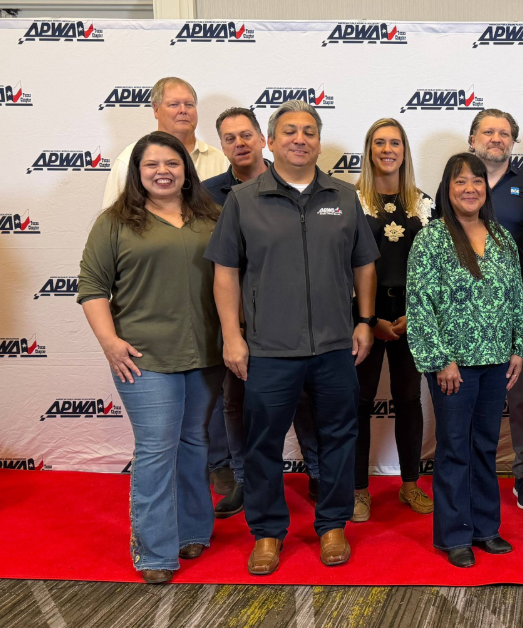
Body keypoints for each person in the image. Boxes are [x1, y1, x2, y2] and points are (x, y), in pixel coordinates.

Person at [205, 100, 380, 576]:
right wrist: (232, 336)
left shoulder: (344, 196)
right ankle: (266, 533)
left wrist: (364, 321)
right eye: (289, 131)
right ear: (271, 140)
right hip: (268, 349)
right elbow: (225, 272)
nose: (299, 138)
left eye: (308, 130)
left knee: (340, 437)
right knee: (263, 442)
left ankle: (333, 525)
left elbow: (364, 263)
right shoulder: (243, 200)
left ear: (319, 140)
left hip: (333, 347)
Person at [78, 131, 225, 584]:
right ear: (137, 173)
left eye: (172, 163)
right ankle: (155, 553)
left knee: (195, 442)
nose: (163, 171)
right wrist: (109, 342)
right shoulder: (115, 221)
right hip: (142, 357)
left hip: (205, 354)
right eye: (151, 165)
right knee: (157, 450)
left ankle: (194, 529)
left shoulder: (212, 216)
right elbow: (92, 287)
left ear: (187, 170)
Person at [407, 152, 523, 568]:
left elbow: (516, 298)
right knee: (454, 447)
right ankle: (454, 534)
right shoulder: (432, 238)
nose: (469, 189)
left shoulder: (501, 238)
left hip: (497, 360)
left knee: (484, 447)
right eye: (460, 181)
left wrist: (519, 348)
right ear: (448, 187)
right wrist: (439, 359)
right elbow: (420, 304)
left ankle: (485, 529)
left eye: (477, 181)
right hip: (452, 366)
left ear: (486, 188)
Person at [202, 106, 323, 520]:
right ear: (221, 145)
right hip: (237, 324)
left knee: (306, 402)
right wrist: (231, 330)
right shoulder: (207, 194)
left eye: (246, 135)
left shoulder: (296, 180)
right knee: (235, 405)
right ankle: (244, 478)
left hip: (297, 327)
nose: (240, 143)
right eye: (229, 138)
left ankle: (319, 474)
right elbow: (219, 267)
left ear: (263, 140)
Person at [433, 109, 523, 511]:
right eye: (488, 131)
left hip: (514, 304)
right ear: (472, 139)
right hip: (459, 314)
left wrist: (501, 285)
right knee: (460, 393)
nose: (496, 138)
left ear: (513, 142)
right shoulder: (455, 182)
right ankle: (461, 477)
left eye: (504, 133)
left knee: (518, 388)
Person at [352, 118, 436, 522]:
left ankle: (409, 484)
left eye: (396, 143)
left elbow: (437, 266)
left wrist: (414, 314)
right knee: (358, 403)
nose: (388, 149)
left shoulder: (424, 203)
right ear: (369, 150)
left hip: (411, 317)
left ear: (405, 150)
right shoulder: (350, 201)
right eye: (380, 143)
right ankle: (358, 490)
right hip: (363, 319)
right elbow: (340, 264)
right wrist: (367, 319)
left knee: (408, 400)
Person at [102, 77, 228, 209]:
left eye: (189, 104)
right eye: (174, 104)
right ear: (156, 110)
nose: (183, 110)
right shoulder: (129, 159)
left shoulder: (221, 160)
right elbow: (111, 220)